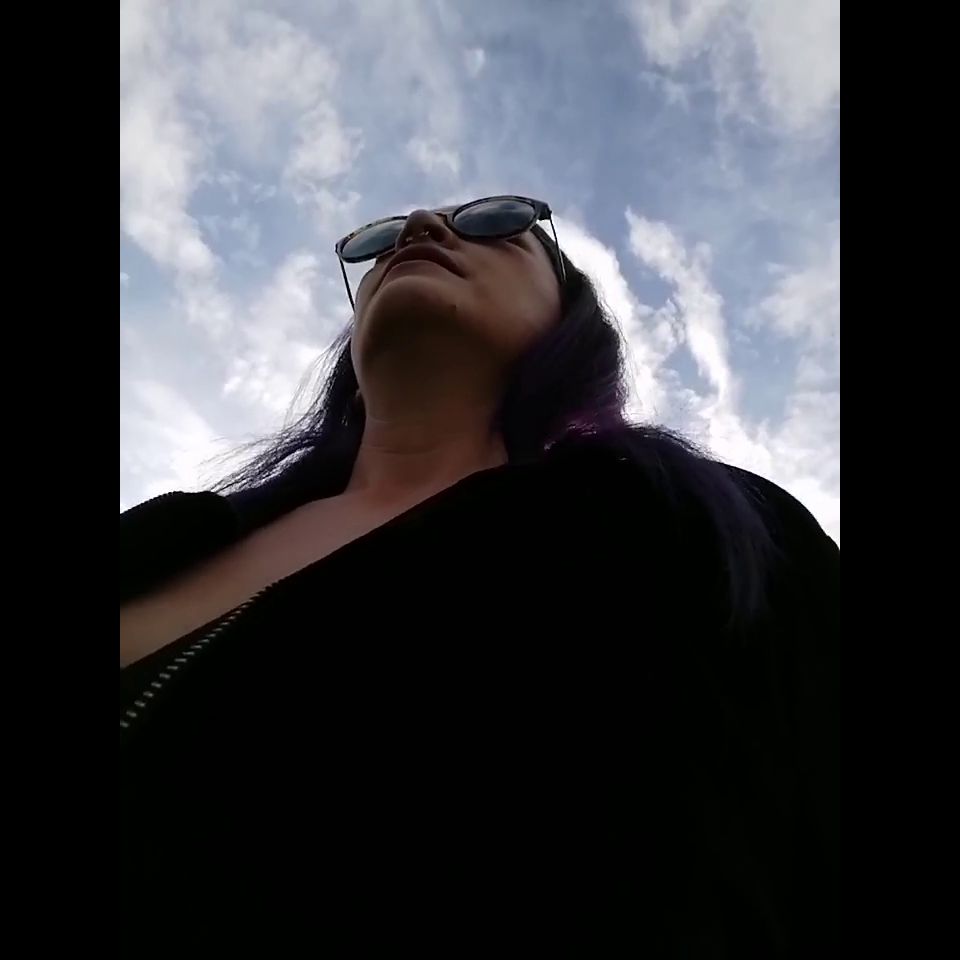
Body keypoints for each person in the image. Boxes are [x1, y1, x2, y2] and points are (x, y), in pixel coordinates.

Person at [120, 196, 839, 955]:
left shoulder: (703, 529)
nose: (421, 228)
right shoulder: (166, 537)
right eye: (382, 239)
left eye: (496, 224)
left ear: (571, 323)